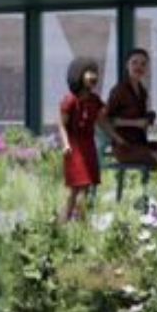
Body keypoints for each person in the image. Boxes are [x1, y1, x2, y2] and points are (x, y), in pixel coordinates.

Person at [105, 48, 157, 175]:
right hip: (125, 147)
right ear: (127, 65)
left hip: (141, 144)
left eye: (143, 64)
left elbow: (141, 120)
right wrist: (135, 123)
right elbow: (107, 120)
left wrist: (149, 117)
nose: (139, 67)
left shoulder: (142, 91)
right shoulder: (119, 90)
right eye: (135, 63)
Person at [58, 57, 118, 221]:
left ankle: (78, 224)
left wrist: (115, 137)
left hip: (88, 147)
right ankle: (66, 223)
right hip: (74, 148)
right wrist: (65, 144)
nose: (94, 76)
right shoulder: (69, 100)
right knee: (76, 188)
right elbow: (62, 125)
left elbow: (102, 121)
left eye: (95, 73)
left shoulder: (94, 101)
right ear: (79, 75)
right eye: (89, 72)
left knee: (85, 187)